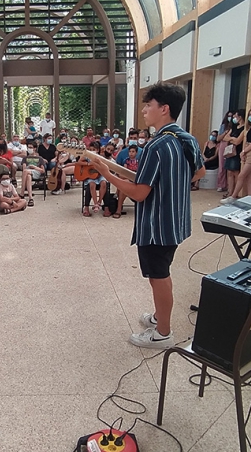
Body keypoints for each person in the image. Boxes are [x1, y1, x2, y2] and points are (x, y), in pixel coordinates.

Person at [88, 82, 205, 349]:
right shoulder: (187, 139)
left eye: (148, 105)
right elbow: (199, 173)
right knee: (162, 271)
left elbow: (140, 193)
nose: (143, 111)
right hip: (176, 221)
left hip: (156, 225)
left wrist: (106, 173)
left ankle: (163, 333)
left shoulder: (155, 147)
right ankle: (157, 317)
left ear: (164, 109)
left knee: (159, 276)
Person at [222, 108, 251, 204]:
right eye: (250, 114)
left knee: (241, 175)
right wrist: (244, 152)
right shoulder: (249, 127)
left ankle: (233, 196)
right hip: (247, 149)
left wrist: (244, 151)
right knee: (250, 176)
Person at [222, 109, 246, 199]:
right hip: (230, 151)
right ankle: (230, 191)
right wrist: (233, 138)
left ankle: (235, 194)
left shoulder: (244, 129)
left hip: (237, 152)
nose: (234, 118)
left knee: (236, 172)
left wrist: (231, 138)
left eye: (236, 116)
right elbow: (225, 138)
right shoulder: (234, 127)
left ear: (240, 117)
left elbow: (238, 141)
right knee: (229, 172)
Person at [113, 144, 140, 218]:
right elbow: (124, 173)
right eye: (130, 151)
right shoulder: (126, 161)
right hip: (127, 180)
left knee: (124, 184)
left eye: (133, 151)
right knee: (124, 183)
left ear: (136, 153)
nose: (131, 153)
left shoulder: (139, 161)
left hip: (136, 181)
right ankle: (118, 209)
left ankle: (118, 209)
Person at [21, 140, 46, 207]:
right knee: (28, 175)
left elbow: (43, 171)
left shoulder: (40, 158)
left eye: (31, 147)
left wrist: (35, 167)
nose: (29, 149)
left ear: (34, 148)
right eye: (28, 147)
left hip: (36, 172)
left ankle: (22, 193)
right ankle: (30, 198)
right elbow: (24, 169)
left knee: (26, 172)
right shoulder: (25, 158)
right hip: (27, 173)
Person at [215, 111, 234, 192]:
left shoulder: (236, 126)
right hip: (223, 145)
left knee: (230, 167)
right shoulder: (223, 126)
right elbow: (218, 138)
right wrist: (226, 133)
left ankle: (230, 186)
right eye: (229, 116)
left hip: (232, 145)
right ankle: (221, 185)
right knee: (222, 166)